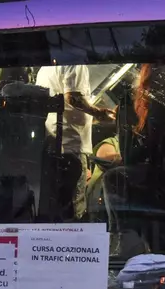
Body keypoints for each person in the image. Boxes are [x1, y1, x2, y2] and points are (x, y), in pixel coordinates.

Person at [35, 65, 115, 220]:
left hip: (53, 141)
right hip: (72, 144)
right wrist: (99, 113)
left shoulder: (44, 69)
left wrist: (93, 118)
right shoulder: (74, 63)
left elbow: (66, 107)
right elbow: (73, 98)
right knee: (73, 206)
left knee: (57, 204)